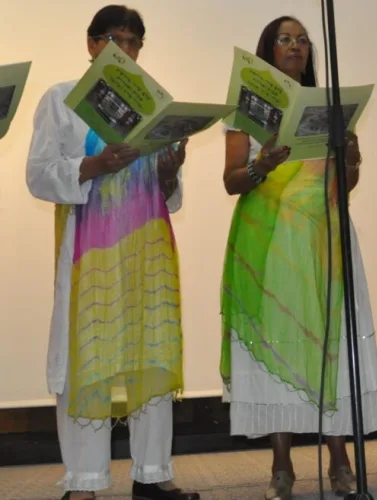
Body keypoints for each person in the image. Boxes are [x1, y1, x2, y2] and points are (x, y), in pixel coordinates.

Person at [26, 5, 199, 500]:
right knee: (89, 362)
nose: (124, 50)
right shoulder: (62, 98)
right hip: (89, 258)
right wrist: (93, 165)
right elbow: (39, 175)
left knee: (150, 355)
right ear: (91, 44)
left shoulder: (153, 104)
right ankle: (83, 483)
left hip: (146, 252)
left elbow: (170, 193)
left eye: (133, 42)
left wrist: (170, 168)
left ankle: (153, 475)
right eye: (114, 39)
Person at [220, 16, 377, 499]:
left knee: (331, 342)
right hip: (269, 242)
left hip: (325, 235)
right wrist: (262, 164)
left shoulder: (326, 107)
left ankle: (339, 459)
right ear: (268, 50)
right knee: (276, 343)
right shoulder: (246, 107)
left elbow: (345, 186)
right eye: (285, 40)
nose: (295, 47)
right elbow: (232, 180)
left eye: (302, 41)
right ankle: (281, 467)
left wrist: (351, 157)